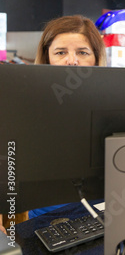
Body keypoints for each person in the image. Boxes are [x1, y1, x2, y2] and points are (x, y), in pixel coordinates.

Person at [1, 15, 107, 229]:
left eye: (82, 52)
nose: (71, 60)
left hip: (105, 216)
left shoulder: (117, 104)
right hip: (47, 222)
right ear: (47, 57)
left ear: (96, 58)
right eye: (60, 52)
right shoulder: (24, 106)